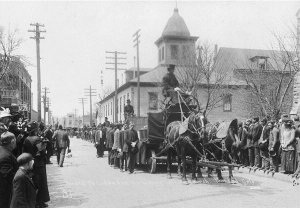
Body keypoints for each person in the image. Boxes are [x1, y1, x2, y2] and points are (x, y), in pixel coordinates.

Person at [23, 121, 50, 208]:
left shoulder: (26, 139)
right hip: (38, 163)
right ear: (35, 130)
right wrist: (44, 143)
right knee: (40, 183)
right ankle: (39, 203)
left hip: (29, 163)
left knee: (33, 183)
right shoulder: (36, 139)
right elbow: (41, 149)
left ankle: (34, 202)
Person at [0, 131, 18, 208]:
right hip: (4, 193)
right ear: (12, 141)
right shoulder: (6, 156)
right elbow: (7, 176)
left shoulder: (3, 151)